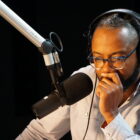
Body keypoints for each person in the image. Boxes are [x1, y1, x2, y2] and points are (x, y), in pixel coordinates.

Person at [16, 9, 140, 140]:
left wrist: (112, 115)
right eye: (98, 58)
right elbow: (37, 134)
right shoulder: (84, 80)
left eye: (117, 59)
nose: (105, 69)